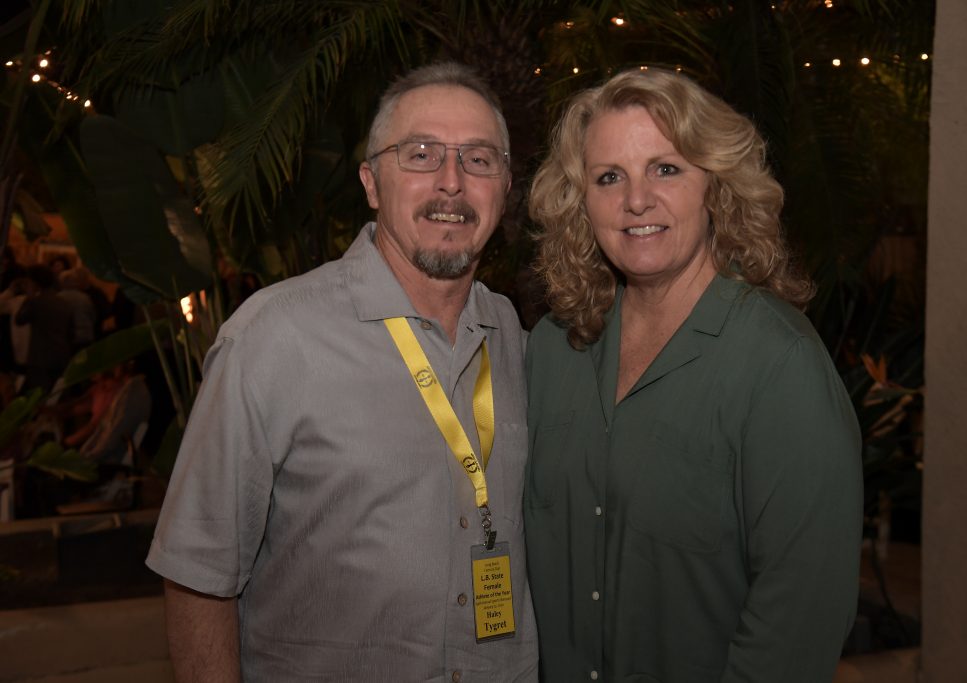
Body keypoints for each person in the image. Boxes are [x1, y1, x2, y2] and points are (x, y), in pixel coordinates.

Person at [146, 62, 538, 681]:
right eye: (421, 155)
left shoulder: (514, 338)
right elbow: (199, 575)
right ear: (372, 183)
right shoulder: (273, 339)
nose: (452, 182)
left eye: (479, 159)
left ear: (505, 187)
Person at [525, 68, 863, 682]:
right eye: (609, 177)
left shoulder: (778, 364)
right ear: (581, 202)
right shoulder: (554, 348)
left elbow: (799, 620)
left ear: (716, 186)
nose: (636, 200)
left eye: (666, 168)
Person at [15, 265, 75, 395]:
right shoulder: (64, 303)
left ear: (34, 283)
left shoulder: (36, 302)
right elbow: (71, 333)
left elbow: (19, 319)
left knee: (37, 396)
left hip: (40, 359)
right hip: (61, 356)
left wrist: (28, 297)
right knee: (54, 395)